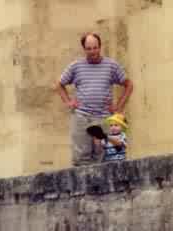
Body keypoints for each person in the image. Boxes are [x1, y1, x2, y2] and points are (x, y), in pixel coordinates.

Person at [54, 32, 133, 166]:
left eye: (95, 48)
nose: (92, 51)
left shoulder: (111, 65)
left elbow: (129, 85)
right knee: (81, 159)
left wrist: (119, 107)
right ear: (84, 49)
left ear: (100, 47)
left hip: (103, 118)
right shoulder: (76, 66)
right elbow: (59, 84)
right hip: (82, 117)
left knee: (102, 158)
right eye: (89, 48)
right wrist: (68, 102)